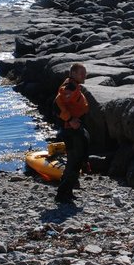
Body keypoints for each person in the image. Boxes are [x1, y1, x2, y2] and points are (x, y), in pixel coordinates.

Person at [53, 62, 90, 204]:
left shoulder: (73, 86)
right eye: (82, 73)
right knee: (74, 161)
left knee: (76, 160)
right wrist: (70, 119)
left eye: (85, 73)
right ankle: (63, 194)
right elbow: (56, 105)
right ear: (73, 73)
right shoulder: (69, 87)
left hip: (74, 127)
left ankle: (67, 192)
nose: (85, 75)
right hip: (71, 129)